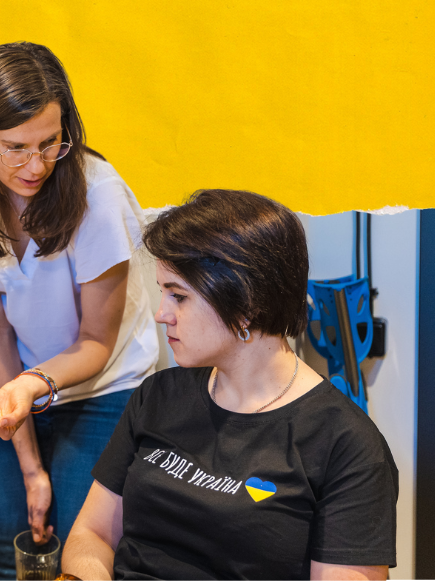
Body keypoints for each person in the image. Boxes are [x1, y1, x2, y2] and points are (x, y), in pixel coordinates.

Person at [0, 42, 159, 579]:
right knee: (9, 553)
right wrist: (29, 465)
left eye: (51, 143)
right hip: (11, 380)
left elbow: (96, 341)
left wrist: (29, 388)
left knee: (75, 555)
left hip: (103, 389)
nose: (36, 164)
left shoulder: (99, 197)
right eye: (15, 147)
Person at [60, 189, 399, 580]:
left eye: (178, 296)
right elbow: (94, 534)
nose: (160, 314)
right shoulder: (158, 396)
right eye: (162, 293)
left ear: (246, 303)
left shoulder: (346, 443)